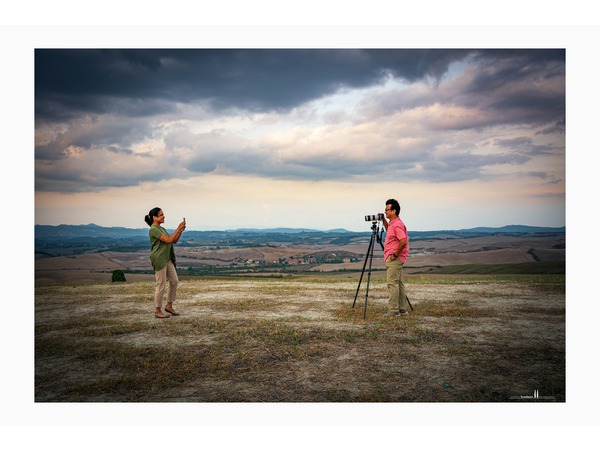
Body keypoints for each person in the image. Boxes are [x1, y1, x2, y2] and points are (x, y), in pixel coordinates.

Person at [144, 207, 186, 318]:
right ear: (154, 217)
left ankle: (169, 306)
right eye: (161, 215)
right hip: (159, 258)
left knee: (174, 281)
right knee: (161, 284)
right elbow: (168, 240)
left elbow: (173, 240)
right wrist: (178, 228)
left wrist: (180, 231)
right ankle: (157, 310)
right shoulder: (153, 229)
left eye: (163, 214)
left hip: (167, 258)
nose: (164, 216)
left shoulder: (161, 229)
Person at [381, 198, 410, 316]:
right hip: (397, 258)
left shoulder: (397, 224)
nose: (385, 211)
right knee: (399, 283)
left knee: (392, 283)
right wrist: (383, 221)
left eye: (387, 210)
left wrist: (395, 255)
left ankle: (393, 310)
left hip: (395, 258)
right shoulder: (393, 223)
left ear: (394, 211)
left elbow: (403, 241)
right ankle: (402, 309)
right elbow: (390, 232)